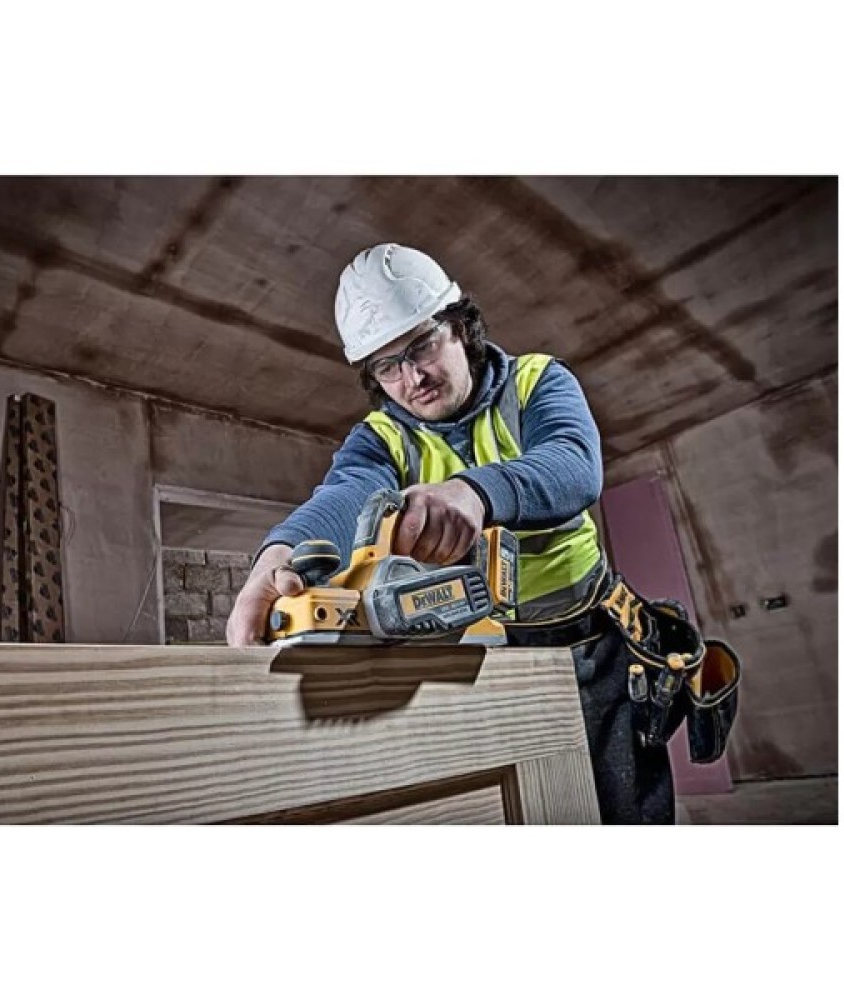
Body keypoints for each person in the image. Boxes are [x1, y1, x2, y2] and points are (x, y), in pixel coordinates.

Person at [227, 243, 723, 824]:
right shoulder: (380, 437)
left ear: (461, 328)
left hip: (587, 647)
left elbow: (573, 464)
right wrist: (277, 557)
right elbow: (344, 494)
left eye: (422, 345)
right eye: (387, 366)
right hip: (472, 654)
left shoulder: (536, 381)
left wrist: (474, 492)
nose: (412, 377)